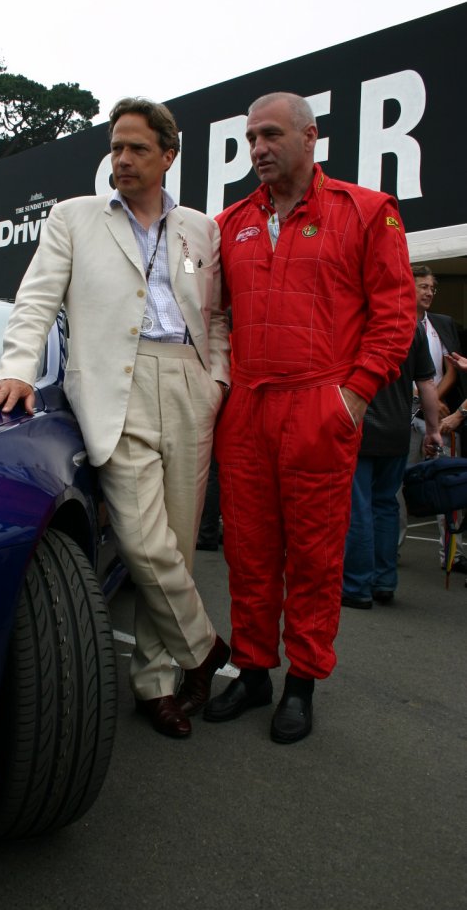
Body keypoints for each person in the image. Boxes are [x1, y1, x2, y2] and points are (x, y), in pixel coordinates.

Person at [0, 97, 231, 739]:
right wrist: (16, 369)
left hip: (190, 384)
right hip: (115, 388)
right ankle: (205, 649)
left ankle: (157, 681)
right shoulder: (73, 217)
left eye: (137, 148)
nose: (122, 159)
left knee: (174, 542)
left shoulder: (202, 227)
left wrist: (217, 380)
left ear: (168, 156)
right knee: (143, 543)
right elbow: (35, 300)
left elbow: (219, 317)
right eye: (116, 146)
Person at [204, 92, 417, 743]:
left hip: (319, 405)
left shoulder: (367, 211)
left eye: (271, 135)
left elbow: (395, 315)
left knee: (317, 556)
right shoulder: (228, 223)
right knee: (247, 549)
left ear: (310, 137)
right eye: (250, 139)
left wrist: (350, 396)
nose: (259, 149)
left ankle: (302, 681)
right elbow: (212, 317)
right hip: (247, 407)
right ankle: (254, 668)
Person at [342, 324, 440, 609]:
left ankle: (356, 584)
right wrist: (433, 429)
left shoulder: (358, 317)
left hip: (360, 424)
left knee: (358, 505)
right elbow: (426, 384)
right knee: (386, 504)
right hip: (397, 429)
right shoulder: (411, 327)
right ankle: (384, 580)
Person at [403, 266, 467, 570]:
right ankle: (390, 551)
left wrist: (436, 400)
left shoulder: (442, 324)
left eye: (432, 288)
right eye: (423, 287)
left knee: (447, 484)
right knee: (396, 488)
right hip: (402, 416)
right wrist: (421, 397)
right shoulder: (392, 323)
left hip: (439, 417)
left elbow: (452, 367)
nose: (429, 293)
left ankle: (452, 555)